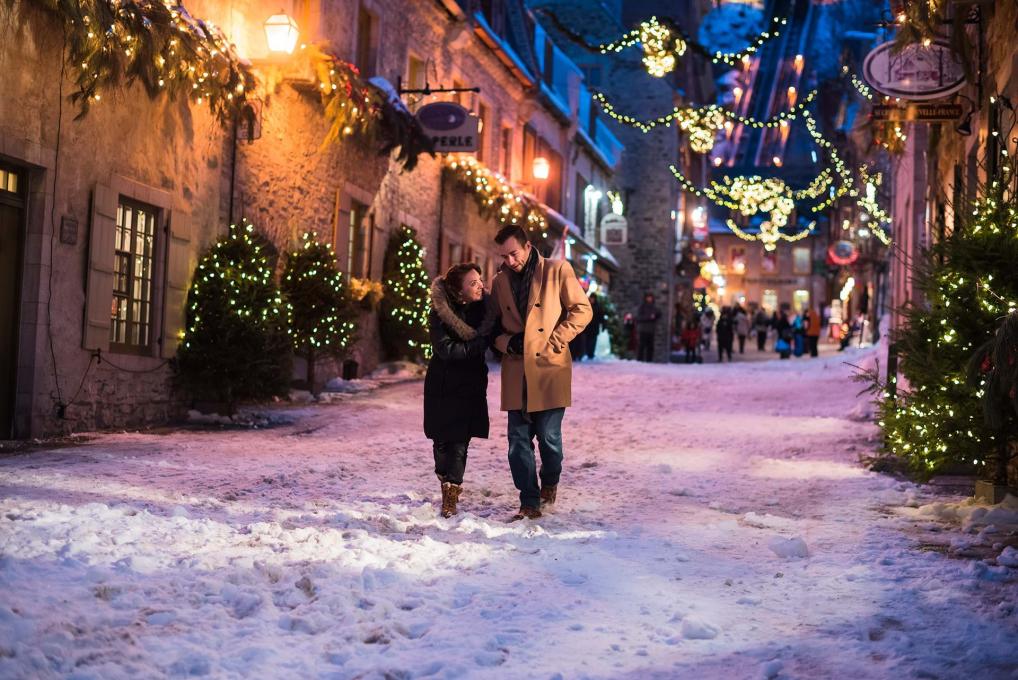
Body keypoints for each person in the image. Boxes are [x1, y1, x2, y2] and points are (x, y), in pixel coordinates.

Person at [490, 226, 592, 521]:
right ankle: (529, 501)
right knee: (517, 442)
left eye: (514, 253)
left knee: (549, 438)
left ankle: (550, 481)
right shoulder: (500, 282)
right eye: (504, 256)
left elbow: (582, 310)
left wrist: (556, 340)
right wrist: (504, 343)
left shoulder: (557, 271)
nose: (510, 261)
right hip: (516, 370)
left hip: (549, 367)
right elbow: (493, 326)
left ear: (527, 246)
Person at [424, 263, 494, 518]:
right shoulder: (439, 313)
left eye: (480, 281)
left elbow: (493, 338)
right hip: (443, 384)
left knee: (460, 442)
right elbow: (445, 350)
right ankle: (445, 479)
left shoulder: (485, 312)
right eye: (473, 283)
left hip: (470, 384)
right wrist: (477, 345)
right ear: (458, 291)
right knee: (442, 442)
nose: (480, 286)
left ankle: (452, 491)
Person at [635, 293, 660, 362]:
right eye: (648, 297)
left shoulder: (653, 307)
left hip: (651, 329)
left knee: (650, 346)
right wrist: (649, 317)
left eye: (651, 297)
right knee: (641, 345)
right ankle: (639, 360)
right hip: (643, 329)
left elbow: (658, 313)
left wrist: (656, 315)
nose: (650, 299)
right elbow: (639, 317)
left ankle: (649, 360)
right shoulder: (642, 307)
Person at [584, 291, 603, 360]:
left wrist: (603, 325)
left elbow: (601, 316)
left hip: (594, 327)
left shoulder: (598, 306)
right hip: (588, 326)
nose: (591, 299)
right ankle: (587, 353)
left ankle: (591, 354)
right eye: (590, 298)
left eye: (592, 298)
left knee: (593, 341)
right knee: (587, 340)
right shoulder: (588, 305)